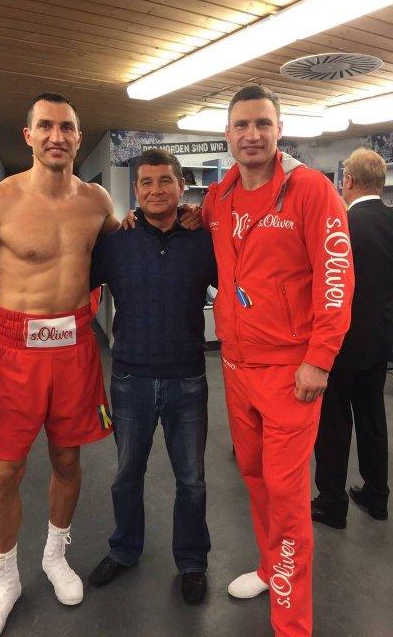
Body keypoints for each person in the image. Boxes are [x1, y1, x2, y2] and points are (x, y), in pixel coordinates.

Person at [0, 93, 119, 637]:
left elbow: (128, 249)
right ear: (28, 136)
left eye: (66, 127)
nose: (56, 136)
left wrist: (180, 218)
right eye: (45, 126)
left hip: (76, 349)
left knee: (68, 461)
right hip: (16, 353)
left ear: (78, 136)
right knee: (6, 470)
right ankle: (6, 580)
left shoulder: (96, 201)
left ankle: (54, 554)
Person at [202, 85, 354, 637]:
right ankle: (271, 568)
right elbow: (195, 230)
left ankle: (292, 625)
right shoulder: (218, 199)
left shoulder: (311, 190)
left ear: (279, 130)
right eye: (242, 125)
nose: (252, 135)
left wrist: (320, 358)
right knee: (254, 477)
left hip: (292, 375)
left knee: (288, 499)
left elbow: (336, 278)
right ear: (227, 134)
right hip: (236, 368)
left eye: (262, 124)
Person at [87, 148, 216, 605]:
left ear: (182, 186)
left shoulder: (204, 241)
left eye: (165, 181)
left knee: (192, 480)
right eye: (146, 182)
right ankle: (124, 550)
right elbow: (71, 284)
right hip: (129, 380)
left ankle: (192, 561)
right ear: (136, 190)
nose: (156, 190)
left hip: (188, 379)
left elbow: (243, 286)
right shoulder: (116, 243)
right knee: (126, 475)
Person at [313, 148, 392, 528]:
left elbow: (327, 285)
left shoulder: (341, 225)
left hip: (340, 342)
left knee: (334, 422)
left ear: (347, 181)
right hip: (381, 343)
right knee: (373, 415)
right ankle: (377, 496)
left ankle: (332, 502)